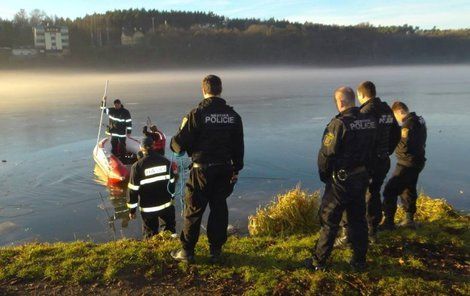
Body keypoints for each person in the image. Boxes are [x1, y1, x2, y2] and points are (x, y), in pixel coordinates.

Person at [169, 75, 244, 264]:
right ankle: (215, 251)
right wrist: (237, 169)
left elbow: (177, 144)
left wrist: (177, 144)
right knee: (219, 208)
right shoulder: (233, 116)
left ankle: (187, 252)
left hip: (201, 170)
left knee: (194, 209)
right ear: (220, 90)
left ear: (203, 90)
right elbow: (239, 146)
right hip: (225, 169)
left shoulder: (196, 114)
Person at [305, 87, 377, 271]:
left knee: (329, 220)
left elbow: (326, 154)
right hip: (361, 177)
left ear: (341, 102)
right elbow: (375, 149)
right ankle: (359, 261)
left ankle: (319, 262)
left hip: (341, 181)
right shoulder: (369, 121)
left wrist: (325, 176)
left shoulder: (339, 124)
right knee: (358, 219)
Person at [336, 81, 400, 244]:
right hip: (382, 160)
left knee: (351, 194)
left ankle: (349, 233)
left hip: (366, 162)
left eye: (358, 96)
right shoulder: (387, 109)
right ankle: (372, 231)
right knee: (374, 193)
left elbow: (358, 137)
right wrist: (387, 150)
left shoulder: (364, 112)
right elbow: (396, 133)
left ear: (362, 95)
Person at [381, 101, 427, 230]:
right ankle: (409, 220)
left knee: (389, 190)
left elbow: (403, 146)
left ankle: (388, 223)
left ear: (400, 111)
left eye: (395, 116)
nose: (397, 121)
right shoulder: (419, 120)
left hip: (407, 163)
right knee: (408, 189)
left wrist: (392, 143)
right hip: (418, 161)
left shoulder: (407, 125)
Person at [127, 136, 177, 238]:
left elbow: (133, 190)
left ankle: (152, 250)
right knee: (170, 231)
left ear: (141, 148)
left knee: (150, 234)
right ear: (153, 146)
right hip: (166, 204)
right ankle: (171, 248)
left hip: (148, 208)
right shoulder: (166, 162)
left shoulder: (137, 167)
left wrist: (132, 210)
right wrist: (172, 197)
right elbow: (172, 182)